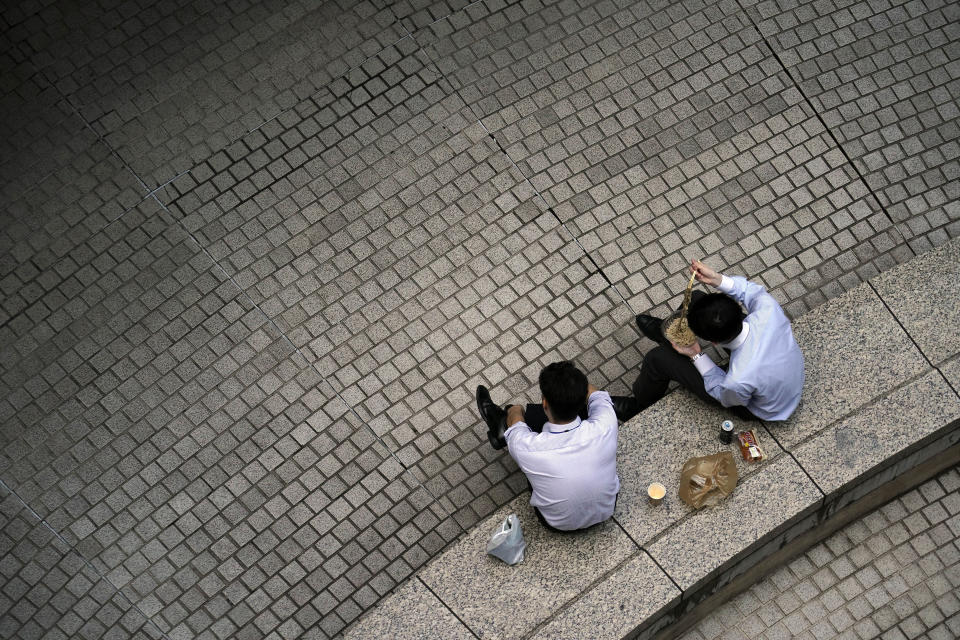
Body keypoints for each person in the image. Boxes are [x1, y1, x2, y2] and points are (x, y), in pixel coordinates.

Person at [610, 259, 804, 422]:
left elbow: (722, 393)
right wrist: (717, 279)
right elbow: (750, 291)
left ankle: (638, 405)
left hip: (760, 406)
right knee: (696, 298)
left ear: (713, 343)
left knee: (657, 358)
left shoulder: (737, 380)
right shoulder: (768, 310)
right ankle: (667, 336)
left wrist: (696, 354)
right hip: (779, 373)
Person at [476, 361, 619, 532]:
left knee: (527, 417)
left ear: (545, 403)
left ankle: (500, 426)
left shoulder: (527, 448)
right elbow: (596, 393)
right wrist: (571, 385)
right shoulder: (606, 424)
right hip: (605, 511)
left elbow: (516, 421)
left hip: (557, 523)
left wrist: (515, 409)